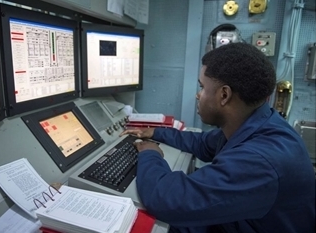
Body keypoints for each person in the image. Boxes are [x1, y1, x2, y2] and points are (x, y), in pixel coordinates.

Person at [120, 43, 315, 233]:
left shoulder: (261, 160)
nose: (198, 95)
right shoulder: (257, 124)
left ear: (224, 95)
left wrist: (151, 154)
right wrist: (155, 133)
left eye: (202, 87)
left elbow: (168, 199)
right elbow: (203, 143)